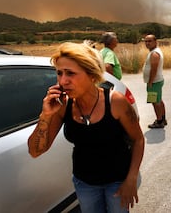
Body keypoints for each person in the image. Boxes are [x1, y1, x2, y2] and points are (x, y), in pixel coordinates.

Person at [28, 41, 144, 213]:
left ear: (91, 75)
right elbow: (35, 151)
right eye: (59, 73)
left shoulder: (116, 101)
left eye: (70, 73)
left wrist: (131, 179)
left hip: (117, 181)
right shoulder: (63, 105)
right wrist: (45, 116)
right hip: (84, 183)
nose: (63, 81)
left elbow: (138, 139)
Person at [142, 34, 167, 128]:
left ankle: (159, 121)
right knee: (158, 100)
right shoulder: (153, 52)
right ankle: (163, 119)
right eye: (146, 41)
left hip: (154, 82)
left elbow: (154, 69)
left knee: (155, 102)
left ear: (155, 42)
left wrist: (150, 82)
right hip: (156, 81)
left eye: (149, 41)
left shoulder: (154, 54)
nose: (147, 43)